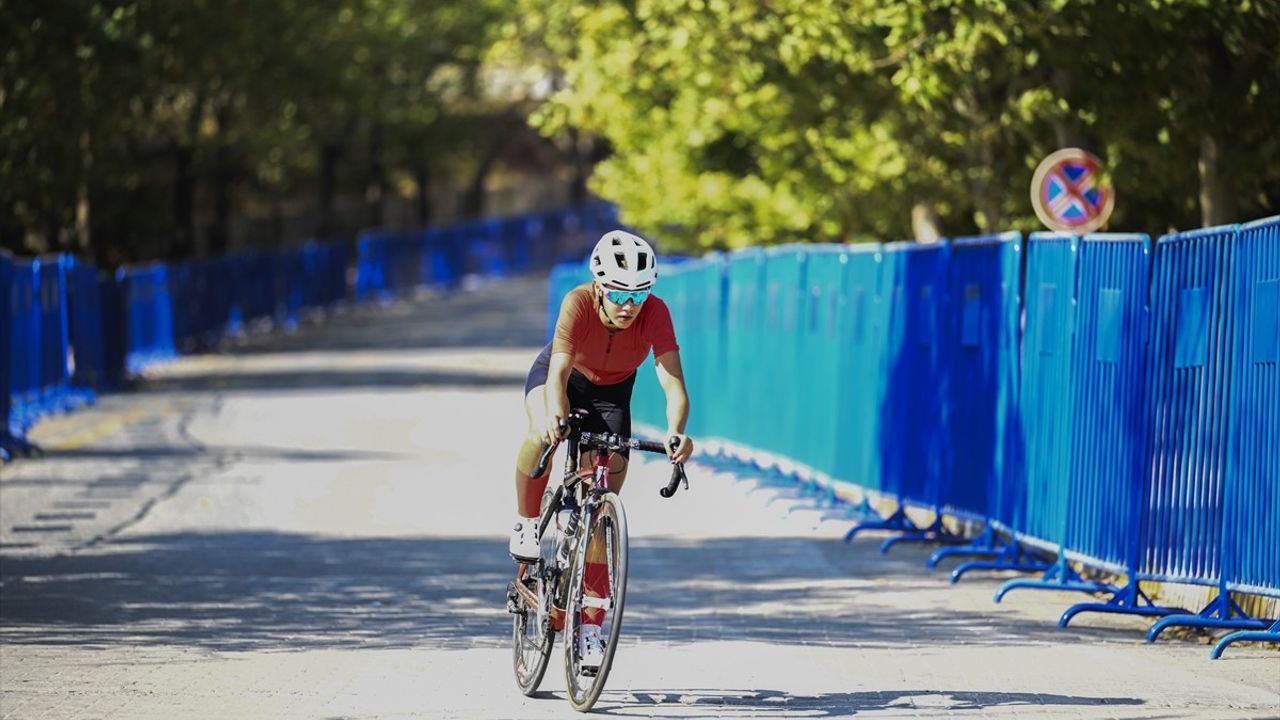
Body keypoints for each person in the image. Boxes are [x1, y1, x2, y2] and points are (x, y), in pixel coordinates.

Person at [510, 229, 695, 669]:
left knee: (600, 512)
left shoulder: (655, 313)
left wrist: (677, 432)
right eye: (618, 293)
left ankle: (591, 627)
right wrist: (557, 416)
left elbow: (674, 384)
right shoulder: (577, 302)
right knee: (541, 435)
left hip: (612, 396)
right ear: (598, 285)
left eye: (639, 293)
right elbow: (556, 374)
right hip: (563, 377)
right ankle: (525, 522)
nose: (629, 305)